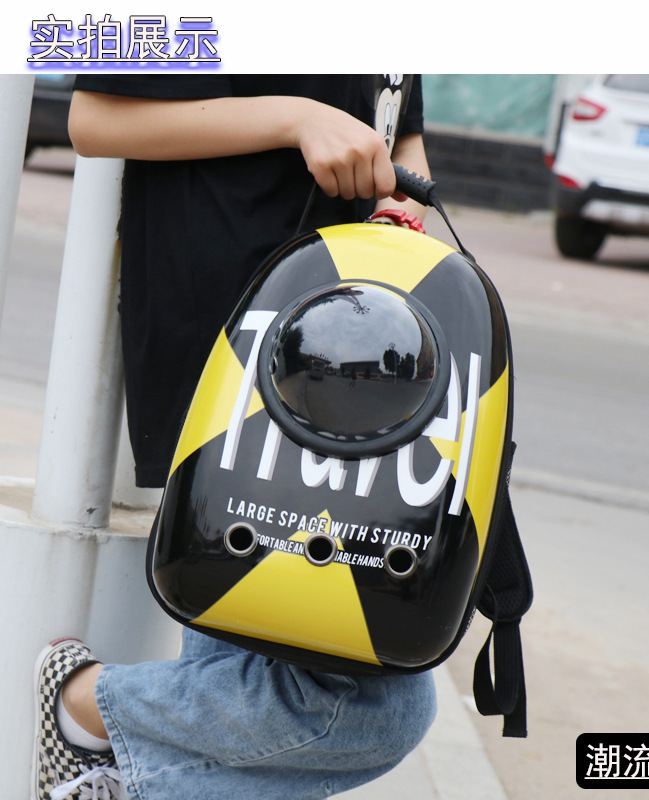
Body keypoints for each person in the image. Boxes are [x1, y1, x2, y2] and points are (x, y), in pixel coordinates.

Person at [34, 75, 437, 800]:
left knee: (317, 700)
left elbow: (400, 129)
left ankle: (97, 734)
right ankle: (88, 705)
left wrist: (400, 206)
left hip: (347, 367)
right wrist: (296, 119)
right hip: (233, 354)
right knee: (368, 707)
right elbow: (96, 119)